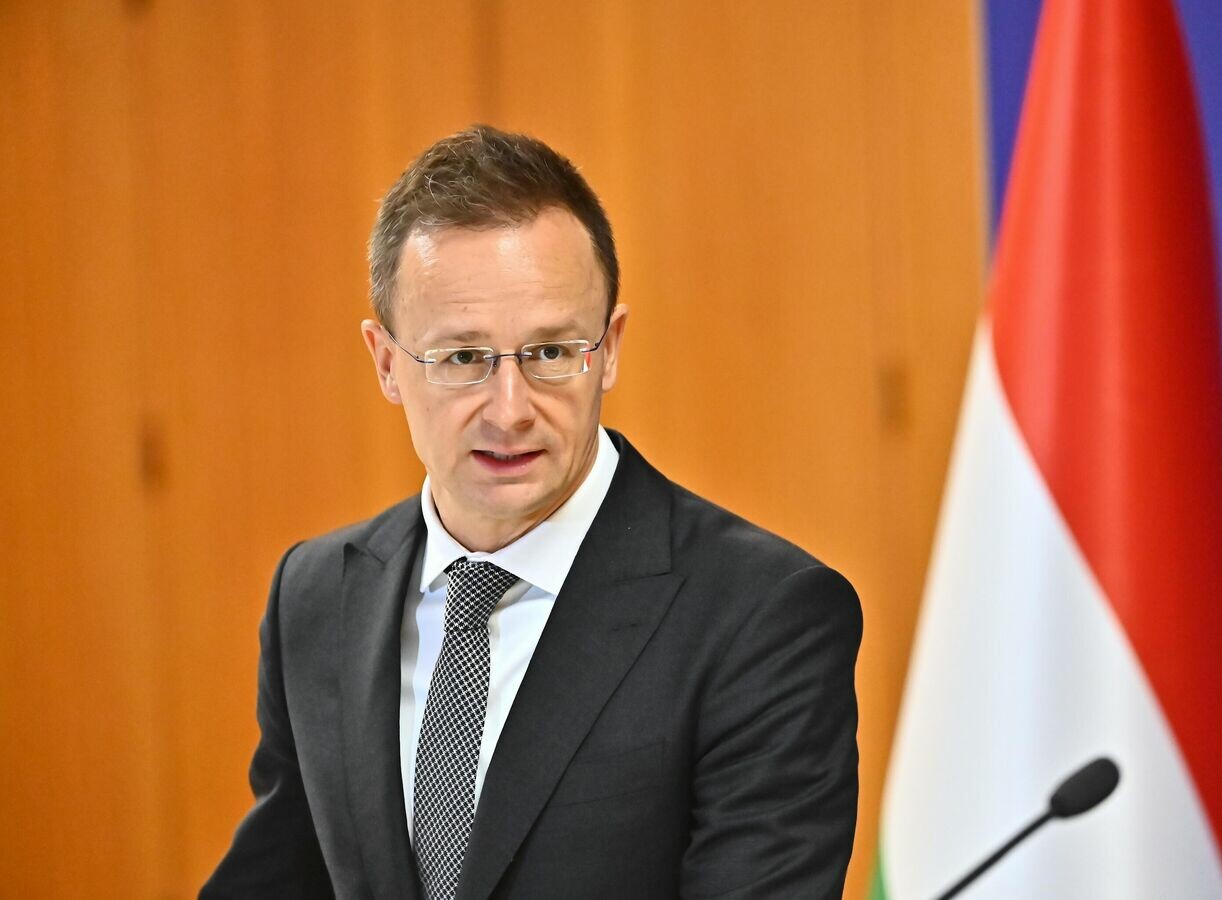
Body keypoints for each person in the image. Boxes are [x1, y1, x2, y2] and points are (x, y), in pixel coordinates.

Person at [203, 125, 862, 899]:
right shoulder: (315, 597)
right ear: (385, 362)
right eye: (462, 358)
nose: (510, 410)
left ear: (608, 349)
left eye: (550, 353)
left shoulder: (761, 615)